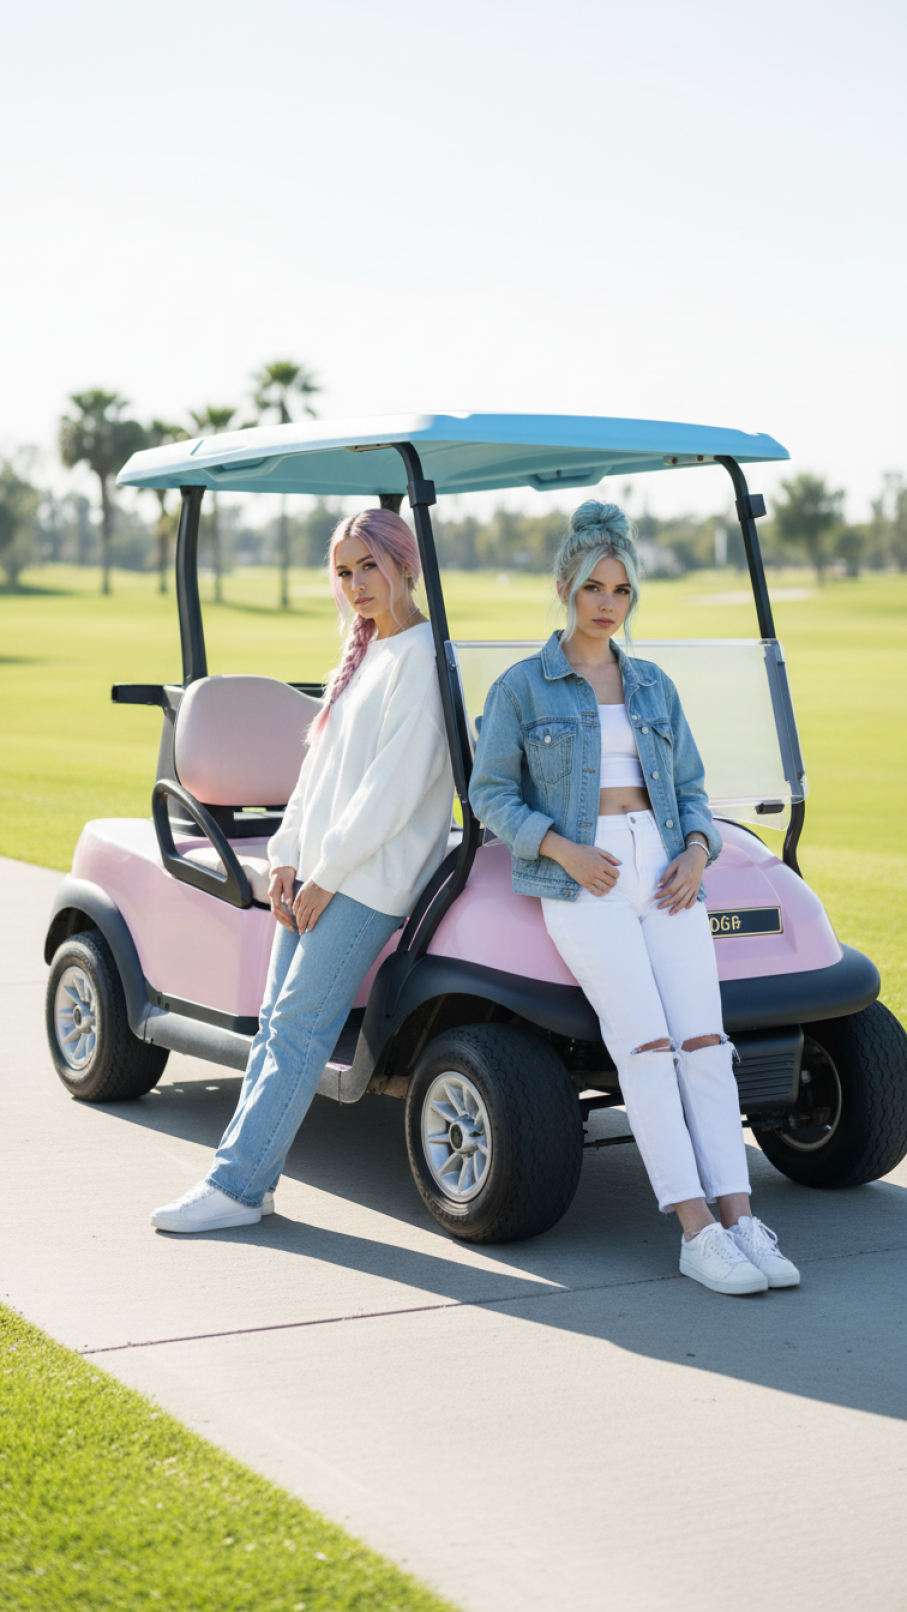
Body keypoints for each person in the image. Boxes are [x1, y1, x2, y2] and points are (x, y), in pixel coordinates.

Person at [468, 501, 799, 1295]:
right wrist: (561, 848)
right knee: (646, 1048)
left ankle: (740, 1218)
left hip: (663, 865)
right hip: (583, 876)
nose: (606, 602)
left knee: (704, 1044)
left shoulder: (652, 684)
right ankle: (694, 1232)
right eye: (591, 587)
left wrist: (695, 850)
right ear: (565, 588)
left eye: (619, 589)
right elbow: (490, 795)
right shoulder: (523, 686)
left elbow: (688, 787)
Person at [152, 508, 454, 1233]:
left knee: (296, 1028)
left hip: (367, 879)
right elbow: (315, 780)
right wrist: (285, 858)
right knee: (275, 1028)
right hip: (316, 873)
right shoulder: (363, 656)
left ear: (405, 565)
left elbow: (393, 788)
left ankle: (235, 1185)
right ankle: (244, 1184)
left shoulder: (422, 657)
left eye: (369, 567)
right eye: (345, 572)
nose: (356, 584)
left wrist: (325, 876)